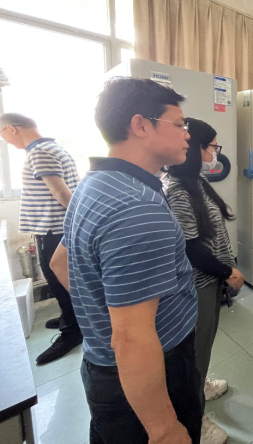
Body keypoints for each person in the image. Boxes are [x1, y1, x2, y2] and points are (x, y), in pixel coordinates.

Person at [50, 77, 201, 444]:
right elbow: (132, 338)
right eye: (179, 124)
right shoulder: (137, 207)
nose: (187, 135)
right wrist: (163, 429)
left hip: (105, 368)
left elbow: (60, 262)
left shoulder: (95, 183)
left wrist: (107, 321)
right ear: (140, 125)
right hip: (150, 374)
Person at [165, 117, 244, 444]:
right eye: (212, 146)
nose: (215, 153)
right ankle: (193, 417)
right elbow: (191, 247)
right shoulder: (177, 190)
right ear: (195, 147)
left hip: (210, 280)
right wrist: (227, 271)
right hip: (198, 283)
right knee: (195, 350)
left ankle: (199, 386)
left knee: (203, 344)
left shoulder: (195, 181)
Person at [0, 112, 82, 365]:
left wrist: (81, 222)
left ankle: (72, 332)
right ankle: (69, 318)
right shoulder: (52, 148)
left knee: (58, 281)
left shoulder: (40, 152)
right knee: (62, 281)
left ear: (11, 129)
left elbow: (61, 193)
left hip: (54, 229)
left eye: (2, 134)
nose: (5, 140)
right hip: (53, 228)